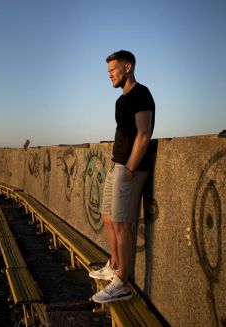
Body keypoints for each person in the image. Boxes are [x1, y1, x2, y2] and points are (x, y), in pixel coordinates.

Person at [90, 50, 155, 303]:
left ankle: (122, 283)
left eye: (113, 70)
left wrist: (128, 169)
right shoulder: (120, 101)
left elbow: (144, 133)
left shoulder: (141, 94)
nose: (110, 76)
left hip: (131, 169)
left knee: (122, 224)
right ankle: (114, 265)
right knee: (107, 218)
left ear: (127, 67)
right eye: (108, 72)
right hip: (115, 165)